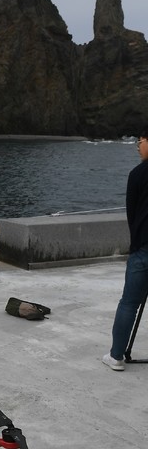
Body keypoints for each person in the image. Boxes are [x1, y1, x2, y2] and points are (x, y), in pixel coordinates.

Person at [102, 130, 148, 370]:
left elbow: (132, 214)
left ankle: (116, 356)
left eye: (141, 141)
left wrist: (136, 245)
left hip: (144, 249)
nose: (138, 146)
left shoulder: (138, 174)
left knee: (129, 303)